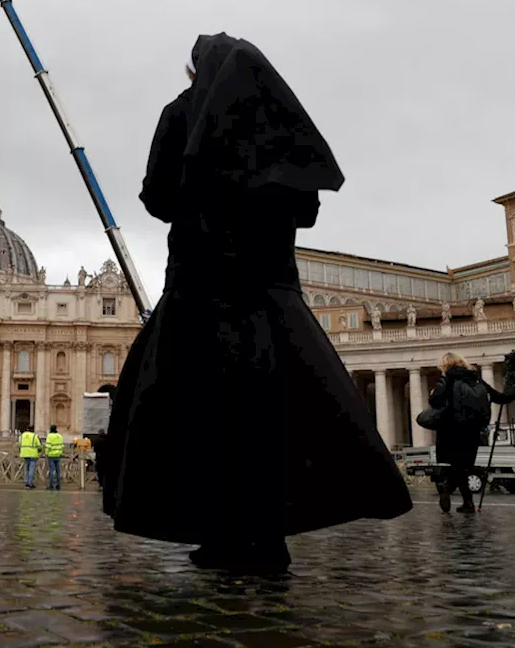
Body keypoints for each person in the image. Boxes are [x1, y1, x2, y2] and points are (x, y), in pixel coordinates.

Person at [103, 33, 412, 574]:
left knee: (203, 417)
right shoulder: (276, 120)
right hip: (270, 293)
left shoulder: (181, 114)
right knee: (273, 416)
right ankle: (269, 538)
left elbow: (157, 198)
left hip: (199, 287)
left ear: (194, 73)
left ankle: (218, 534)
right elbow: (307, 209)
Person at [428, 352, 515, 514]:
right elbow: (501, 398)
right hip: (473, 430)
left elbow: (434, 402)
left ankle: (448, 488)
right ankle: (467, 502)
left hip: (450, 431)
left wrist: (432, 394)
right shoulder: (476, 380)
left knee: (456, 467)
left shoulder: (447, 380)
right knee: (464, 467)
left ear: (444, 366)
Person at [44, 425, 65, 490]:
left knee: (51, 470)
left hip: (51, 455)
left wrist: (46, 453)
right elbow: (62, 446)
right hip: (58, 455)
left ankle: (51, 485)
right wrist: (60, 453)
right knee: (58, 471)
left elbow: (48, 446)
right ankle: (58, 485)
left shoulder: (49, 436)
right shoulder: (60, 436)